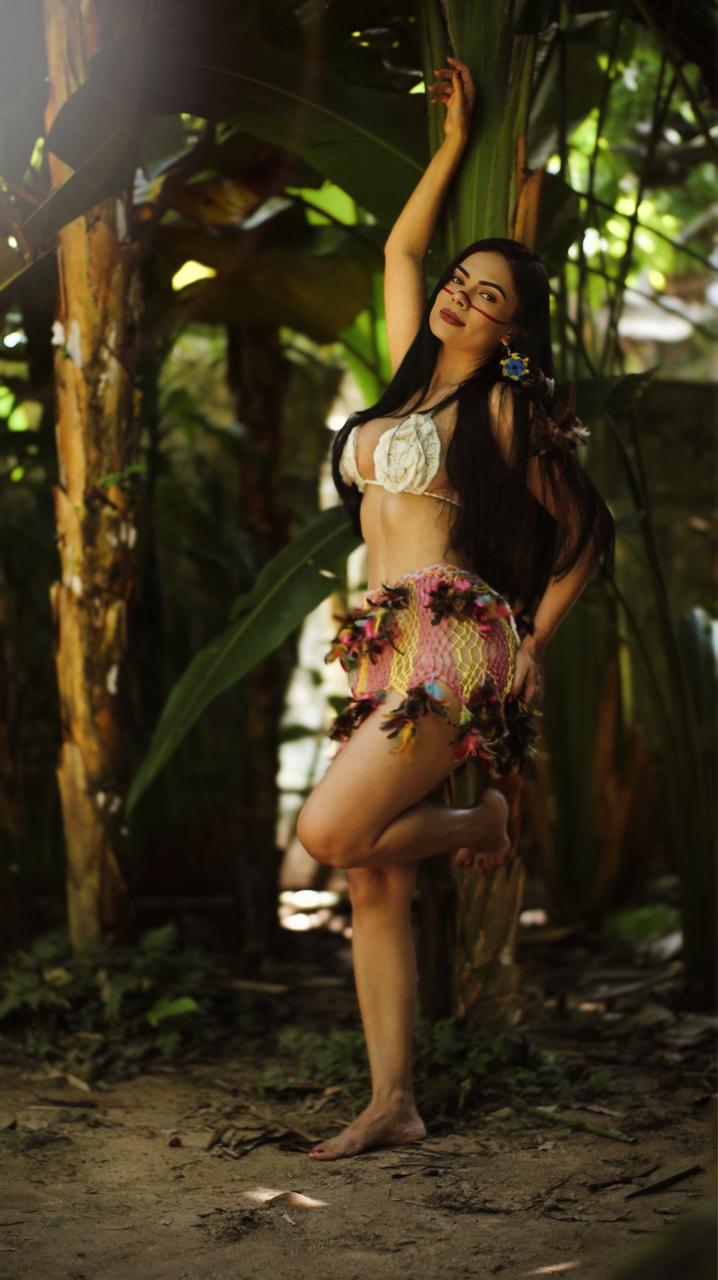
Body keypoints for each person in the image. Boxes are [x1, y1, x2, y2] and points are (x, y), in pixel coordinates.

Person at [296, 56, 615, 1161]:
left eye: (489, 296)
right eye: (461, 280)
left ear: (513, 331)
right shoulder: (408, 381)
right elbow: (398, 251)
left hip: (452, 634)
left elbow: (588, 535)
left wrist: (531, 643)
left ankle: (484, 823)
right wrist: (451, 144)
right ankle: (393, 1100)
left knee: (326, 833)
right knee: (372, 873)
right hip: (381, 643)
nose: (461, 296)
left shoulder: (504, 414)